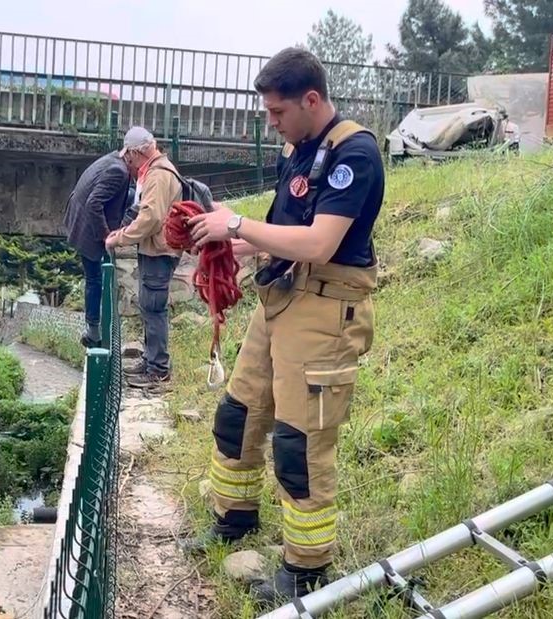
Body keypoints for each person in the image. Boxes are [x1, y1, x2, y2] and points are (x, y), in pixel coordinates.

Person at [180, 46, 385, 606]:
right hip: (281, 297)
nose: (271, 122)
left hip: (325, 309)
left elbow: (319, 242)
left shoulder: (355, 154)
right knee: (238, 412)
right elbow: (284, 229)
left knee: (300, 440)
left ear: (311, 100)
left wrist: (237, 224)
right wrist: (233, 245)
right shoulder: (297, 152)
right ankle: (234, 518)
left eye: (277, 112)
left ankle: (306, 568)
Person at [104, 126, 183, 388]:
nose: (129, 161)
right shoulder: (158, 170)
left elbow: (151, 218)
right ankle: (150, 361)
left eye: (129, 156)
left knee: (154, 308)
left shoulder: (158, 175)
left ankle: (157, 369)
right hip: (157, 248)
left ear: (138, 152)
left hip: (159, 250)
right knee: (149, 307)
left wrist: (120, 237)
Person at [63, 149, 134, 347]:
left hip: (78, 218)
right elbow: (94, 204)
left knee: (94, 277)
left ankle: (93, 327)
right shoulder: (118, 171)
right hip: (87, 226)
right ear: (132, 154)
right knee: (94, 278)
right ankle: (93, 330)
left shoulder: (113, 159)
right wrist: (106, 235)